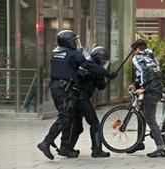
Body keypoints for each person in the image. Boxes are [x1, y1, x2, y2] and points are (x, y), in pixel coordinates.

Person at [37, 30, 115, 160]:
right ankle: (47, 142)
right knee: (65, 117)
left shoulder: (56, 53)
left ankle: (65, 148)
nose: (76, 43)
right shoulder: (74, 54)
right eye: (74, 40)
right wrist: (106, 74)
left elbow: (72, 69)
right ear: (68, 42)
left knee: (70, 120)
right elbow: (88, 66)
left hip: (56, 88)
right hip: (66, 90)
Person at [58, 46, 117, 158]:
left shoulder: (85, 64)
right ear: (98, 59)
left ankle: (67, 148)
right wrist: (107, 78)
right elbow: (101, 87)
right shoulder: (96, 69)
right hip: (82, 98)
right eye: (102, 61)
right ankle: (97, 150)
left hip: (74, 98)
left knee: (77, 125)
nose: (103, 63)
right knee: (94, 123)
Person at [127, 39, 165, 158]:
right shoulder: (151, 57)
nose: (134, 54)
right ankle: (139, 142)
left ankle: (161, 148)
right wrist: (135, 84)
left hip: (151, 91)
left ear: (137, 49)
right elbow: (147, 74)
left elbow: (144, 72)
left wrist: (143, 88)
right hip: (155, 89)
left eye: (134, 51)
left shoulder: (138, 58)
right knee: (141, 115)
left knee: (150, 119)